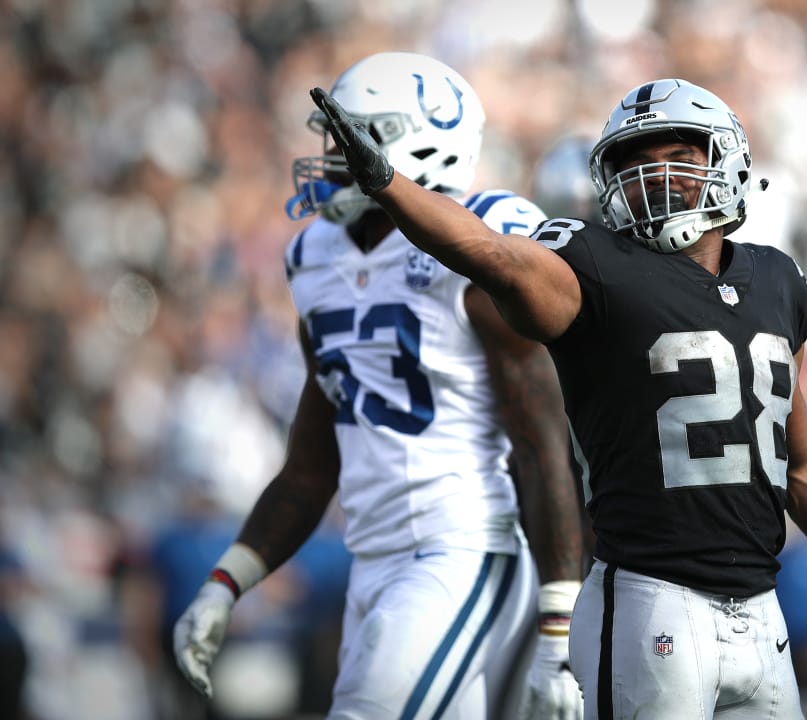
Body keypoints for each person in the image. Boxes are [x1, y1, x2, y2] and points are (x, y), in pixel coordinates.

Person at [309, 76, 807, 718]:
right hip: (651, 601)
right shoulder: (594, 265)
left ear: (727, 159)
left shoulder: (775, 279)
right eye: (634, 163)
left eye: (677, 157)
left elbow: (801, 466)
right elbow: (490, 254)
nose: (654, 176)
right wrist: (390, 183)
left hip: (759, 608)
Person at [172, 51, 585, 720]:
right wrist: (227, 580)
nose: (330, 157)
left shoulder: (484, 244)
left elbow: (542, 444)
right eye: (331, 140)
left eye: (349, 140)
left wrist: (559, 623)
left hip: (461, 551)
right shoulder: (314, 257)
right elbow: (311, 465)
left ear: (415, 144)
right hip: (372, 561)